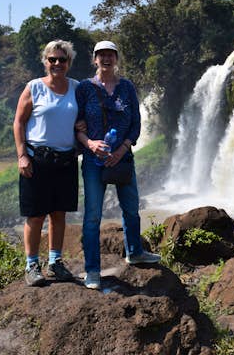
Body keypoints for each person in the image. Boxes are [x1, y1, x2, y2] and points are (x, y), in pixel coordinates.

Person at [76, 40, 159, 290]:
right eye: (101, 55)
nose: (106, 58)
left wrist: (122, 149)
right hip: (93, 161)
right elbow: (76, 126)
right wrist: (90, 144)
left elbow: (135, 124)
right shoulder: (84, 89)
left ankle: (134, 252)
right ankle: (92, 270)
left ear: (116, 58)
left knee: (131, 209)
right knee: (92, 217)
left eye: (110, 54)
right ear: (94, 59)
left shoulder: (127, 87)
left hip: (123, 159)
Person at [13, 40, 79, 287]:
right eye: (52, 59)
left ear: (69, 63)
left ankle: (55, 262)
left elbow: (81, 117)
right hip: (37, 160)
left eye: (62, 59)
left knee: (59, 214)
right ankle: (31, 264)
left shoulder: (76, 88)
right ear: (45, 62)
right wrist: (22, 155)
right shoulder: (34, 88)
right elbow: (18, 122)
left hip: (66, 160)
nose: (57, 64)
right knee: (35, 215)